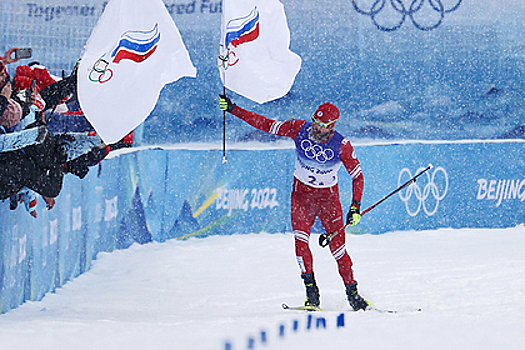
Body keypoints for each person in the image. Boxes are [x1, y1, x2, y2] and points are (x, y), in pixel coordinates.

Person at [219, 95, 370, 311]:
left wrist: (355, 206)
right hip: (301, 198)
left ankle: (353, 296)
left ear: (332, 126)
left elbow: (358, 176)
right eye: (315, 122)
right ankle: (312, 295)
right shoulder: (299, 129)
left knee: (339, 251)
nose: (316, 128)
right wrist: (234, 109)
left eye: (322, 126)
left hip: (329, 201)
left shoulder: (342, 145)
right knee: (300, 244)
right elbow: (266, 124)